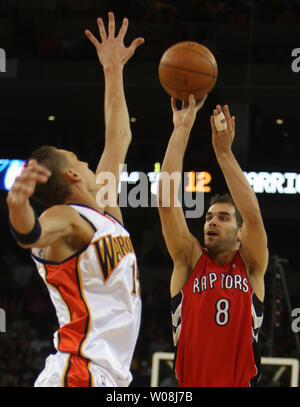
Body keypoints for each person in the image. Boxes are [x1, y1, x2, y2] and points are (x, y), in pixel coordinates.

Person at [6, 12, 144, 387]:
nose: (87, 162)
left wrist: (113, 69)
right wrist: (18, 205)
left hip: (107, 375)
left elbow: (119, 137)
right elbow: (31, 235)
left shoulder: (104, 209)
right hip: (78, 372)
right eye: (79, 160)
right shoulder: (66, 217)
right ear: (71, 175)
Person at [157, 95, 268, 387]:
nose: (211, 222)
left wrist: (224, 154)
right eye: (208, 217)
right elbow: (166, 202)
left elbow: (253, 216)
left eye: (223, 217)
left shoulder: (252, 266)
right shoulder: (189, 260)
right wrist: (181, 129)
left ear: (240, 233)